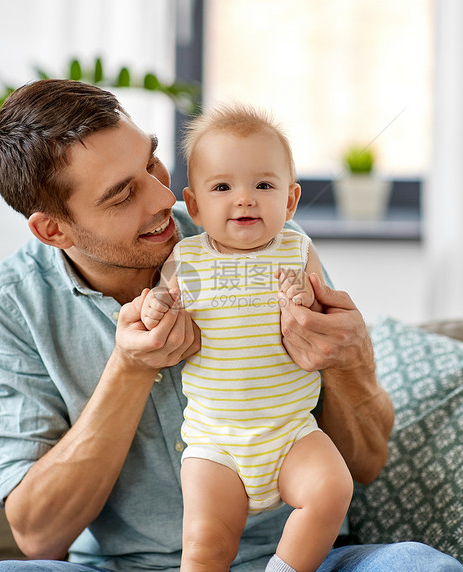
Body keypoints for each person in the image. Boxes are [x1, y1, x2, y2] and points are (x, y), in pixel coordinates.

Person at [0, 78, 463, 572]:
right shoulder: (10, 305)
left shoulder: (263, 237)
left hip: (301, 559)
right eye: (122, 195)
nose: (164, 198)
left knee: (421, 567)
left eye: (151, 162)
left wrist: (349, 363)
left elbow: (367, 466)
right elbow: (37, 535)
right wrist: (129, 369)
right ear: (52, 229)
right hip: (123, 566)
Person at [140, 104, 351, 572]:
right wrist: (156, 306)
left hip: (291, 430)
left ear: (291, 200)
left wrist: (306, 301)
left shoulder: (297, 249)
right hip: (215, 441)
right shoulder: (186, 257)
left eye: (263, 185)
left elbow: (323, 325)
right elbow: (161, 305)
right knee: (205, 542)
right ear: (193, 205)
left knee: (331, 490)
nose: (245, 199)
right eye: (222, 187)